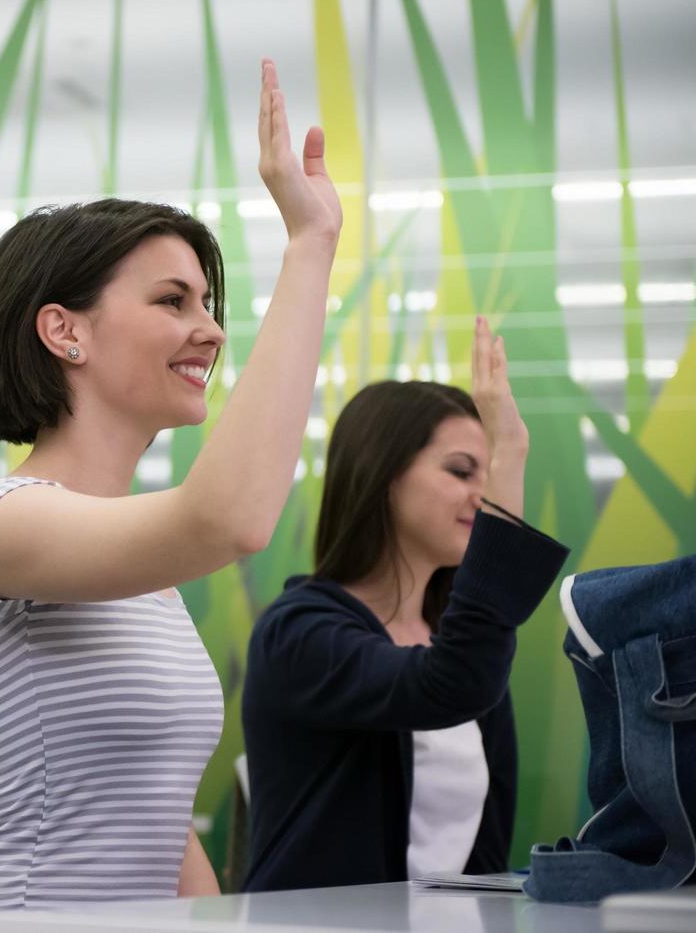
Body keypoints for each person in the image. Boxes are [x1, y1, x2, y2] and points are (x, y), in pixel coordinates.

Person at [0, 60, 342, 931]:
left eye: (209, 301)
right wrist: (310, 246)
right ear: (63, 330)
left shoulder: (143, 574)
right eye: (173, 300)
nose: (211, 328)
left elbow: (158, 827)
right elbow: (230, 518)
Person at [241, 318, 570, 892]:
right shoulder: (297, 633)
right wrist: (510, 454)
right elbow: (450, 684)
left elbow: (486, 858)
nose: (482, 494)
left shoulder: (461, 638)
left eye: (488, 474)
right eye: (462, 471)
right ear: (383, 477)